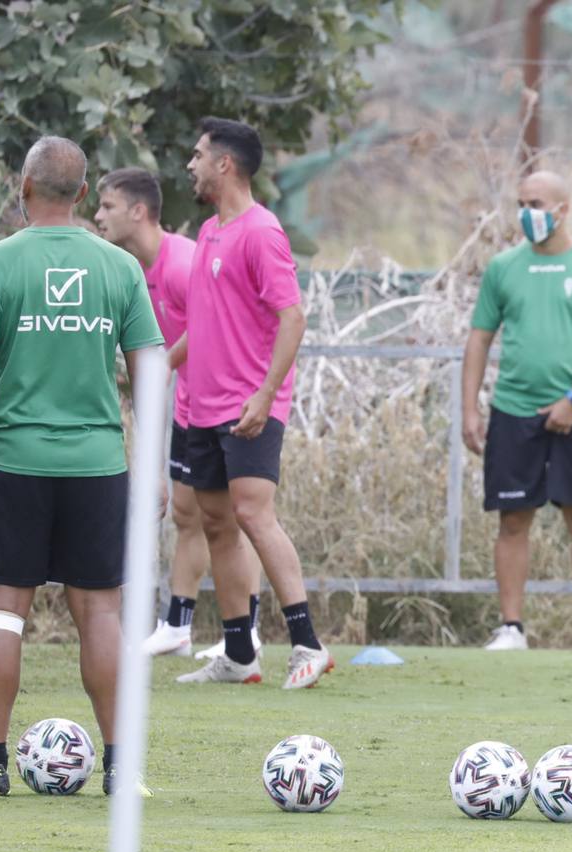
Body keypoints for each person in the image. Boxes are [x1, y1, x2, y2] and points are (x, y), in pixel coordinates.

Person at [0, 136, 165, 796]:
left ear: (24, 187)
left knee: (1, 614)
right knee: (101, 616)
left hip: (15, 462)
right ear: (84, 195)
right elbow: (150, 366)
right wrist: (150, 463)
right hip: (97, 467)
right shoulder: (118, 268)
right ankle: (122, 769)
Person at [169, 117, 331, 688]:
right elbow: (205, 323)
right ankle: (240, 655)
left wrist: (265, 396)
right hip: (203, 407)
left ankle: (308, 644)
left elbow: (294, 317)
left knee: (253, 514)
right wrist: (158, 365)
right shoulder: (211, 231)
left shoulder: (261, 231)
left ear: (224, 164)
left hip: (249, 405)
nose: (189, 164)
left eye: (197, 154)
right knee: (216, 522)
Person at [94, 167, 265, 659]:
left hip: (221, 406)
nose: (99, 215)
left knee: (235, 519)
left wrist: (161, 365)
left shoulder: (181, 261)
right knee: (187, 515)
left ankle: (247, 632)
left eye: (107, 206)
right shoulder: (136, 270)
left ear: (139, 211)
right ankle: (177, 625)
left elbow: (211, 324)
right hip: (187, 407)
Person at [462, 170, 572, 652]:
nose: (526, 212)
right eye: (520, 202)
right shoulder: (503, 268)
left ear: (562, 209)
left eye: (535, 202)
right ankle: (511, 627)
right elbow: (479, 338)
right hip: (513, 411)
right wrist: (471, 408)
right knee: (513, 519)